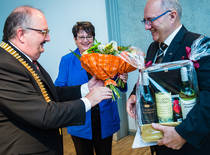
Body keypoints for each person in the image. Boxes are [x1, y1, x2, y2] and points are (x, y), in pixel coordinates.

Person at [0, 6, 113, 155]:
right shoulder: (5, 65)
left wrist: (86, 87)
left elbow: (50, 92)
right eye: (43, 32)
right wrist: (88, 100)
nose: (48, 38)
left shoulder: (22, 59)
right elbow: (45, 114)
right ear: (21, 34)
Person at [126, 0, 210, 154]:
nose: (146, 26)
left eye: (150, 20)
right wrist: (134, 95)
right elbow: (148, 78)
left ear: (172, 16)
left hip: (189, 147)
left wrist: (184, 133)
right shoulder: (153, 48)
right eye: (144, 21)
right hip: (160, 144)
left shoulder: (199, 44)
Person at [55, 21, 128, 155]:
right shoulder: (67, 60)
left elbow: (120, 88)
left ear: (94, 38)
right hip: (80, 120)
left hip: (105, 118)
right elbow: (59, 90)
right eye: (81, 37)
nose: (85, 40)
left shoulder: (106, 56)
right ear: (75, 39)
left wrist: (122, 80)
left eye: (89, 36)